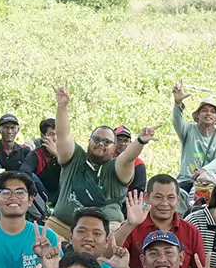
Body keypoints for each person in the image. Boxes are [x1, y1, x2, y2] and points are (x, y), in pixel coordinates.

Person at [48, 86, 149, 232]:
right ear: (89, 141)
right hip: (62, 225)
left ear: (114, 148)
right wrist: (62, 106)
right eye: (97, 139)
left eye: (107, 142)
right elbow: (63, 135)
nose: (101, 144)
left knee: (115, 238)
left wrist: (140, 141)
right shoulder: (74, 158)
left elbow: (128, 158)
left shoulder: (117, 167)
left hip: (106, 230)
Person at [119, 176, 209, 268]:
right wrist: (129, 225)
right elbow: (109, 255)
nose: (164, 203)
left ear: (178, 199)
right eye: (158, 197)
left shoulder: (191, 231)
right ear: (147, 197)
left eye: (170, 197)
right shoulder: (132, 226)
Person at [171, 84, 216, 185]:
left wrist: (204, 170)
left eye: (213, 112)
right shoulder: (188, 129)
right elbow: (177, 121)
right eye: (204, 110)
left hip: (209, 181)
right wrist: (178, 103)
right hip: (186, 180)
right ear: (197, 115)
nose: (208, 113)